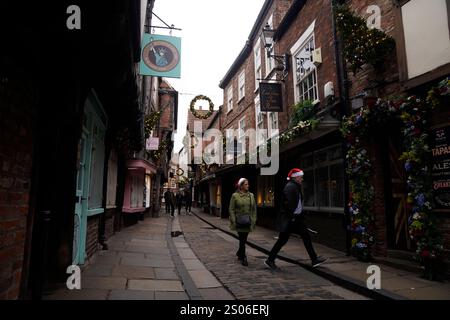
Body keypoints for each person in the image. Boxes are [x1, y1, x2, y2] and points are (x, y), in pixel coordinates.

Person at [264, 168, 327, 270]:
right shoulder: (290, 187)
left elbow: (297, 204)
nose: (302, 179)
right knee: (282, 241)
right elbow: (289, 204)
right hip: (291, 220)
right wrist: (292, 217)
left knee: (305, 236)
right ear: (296, 177)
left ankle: (314, 259)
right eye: (301, 177)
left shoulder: (295, 186)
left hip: (295, 219)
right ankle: (270, 260)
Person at [229, 178, 257, 267]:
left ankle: (239, 253)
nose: (248, 186)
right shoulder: (235, 196)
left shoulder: (251, 195)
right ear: (241, 186)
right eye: (246, 184)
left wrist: (253, 220)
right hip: (239, 221)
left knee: (243, 240)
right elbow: (231, 209)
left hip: (248, 221)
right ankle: (244, 257)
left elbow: (254, 209)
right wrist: (234, 220)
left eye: (248, 184)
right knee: (242, 239)